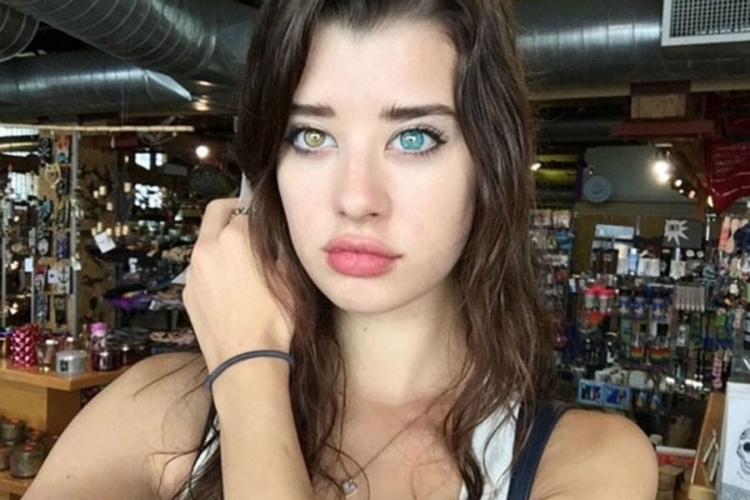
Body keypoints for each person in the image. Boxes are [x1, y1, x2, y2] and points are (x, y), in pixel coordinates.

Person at [24, 1, 658, 499]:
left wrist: (248, 371)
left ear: (489, 162)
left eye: (414, 137)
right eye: (310, 136)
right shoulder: (159, 409)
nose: (356, 199)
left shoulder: (585, 461)